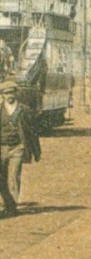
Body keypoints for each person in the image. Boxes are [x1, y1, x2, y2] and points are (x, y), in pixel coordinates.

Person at [0, 80, 41, 216]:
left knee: (13, 176)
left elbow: (33, 132)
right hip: (1, 148)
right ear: (2, 95)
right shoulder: (0, 109)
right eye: (6, 93)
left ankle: (12, 206)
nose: (9, 96)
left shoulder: (24, 110)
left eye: (11, 92)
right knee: (2, 178)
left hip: (17, 147)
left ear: (16, 93)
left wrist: (36, 151)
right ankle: (8, 202)